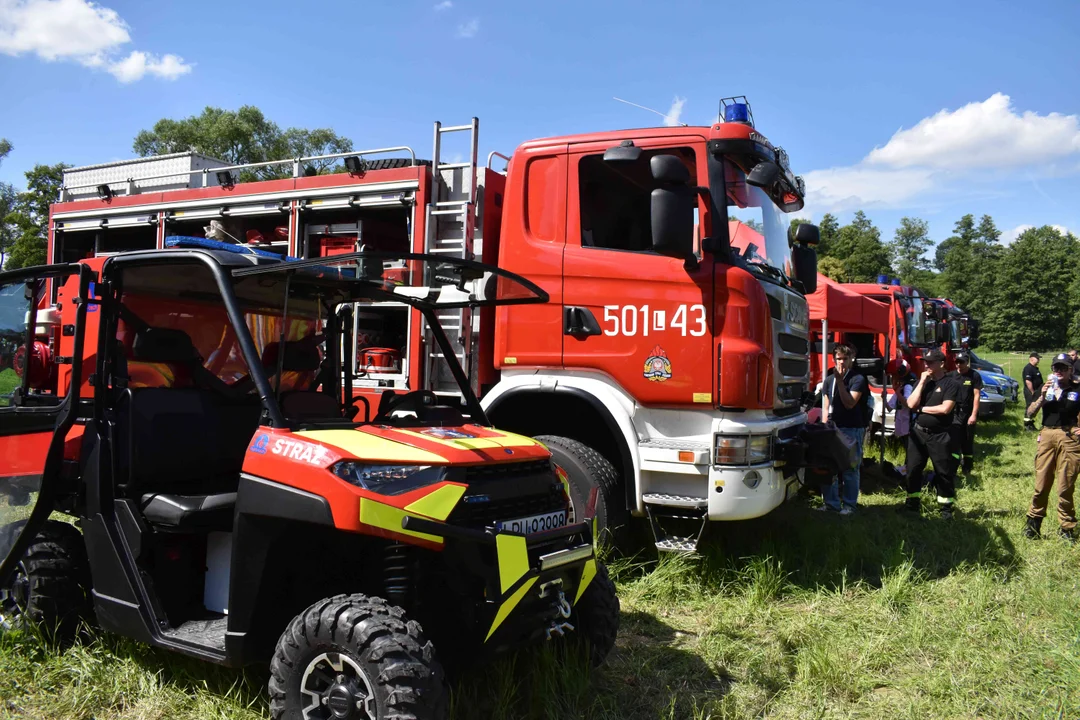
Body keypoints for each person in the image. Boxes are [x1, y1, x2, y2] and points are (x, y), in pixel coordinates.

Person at [1023, 354, 1080, 542]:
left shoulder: (1077, 387)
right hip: (1047, 434)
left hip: (1069, 436)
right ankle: (1034, 523)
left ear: (1071, 369)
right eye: (1056, 368)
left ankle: (1066, 528)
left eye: (1063, 368)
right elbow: (1030, 412)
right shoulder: (1046, 387)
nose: (1059, 371)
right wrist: (1041, 395)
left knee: (1065, 485)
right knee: (1041, 483)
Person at [902, 348, 961, 519]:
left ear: (941, 364)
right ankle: (912, 504)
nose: (926, 364)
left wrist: (922, 409)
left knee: (943, 472)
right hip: (918, 433)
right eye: (925, 361)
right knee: (913, 470)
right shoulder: (922, 382)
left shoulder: (951, 384)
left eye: (930, 362)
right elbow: (911, 404)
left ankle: (946, 509)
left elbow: (945, 408)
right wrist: (921, 383)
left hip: (940, 435)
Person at [818, 343, 868, 514]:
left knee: (850, 468)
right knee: (828, 466)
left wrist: (840, 382)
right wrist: (824, 426)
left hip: (851, 428)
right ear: (833, 359)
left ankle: (849, 505)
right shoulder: (828, 380)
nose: (841, 363)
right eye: (838, 359)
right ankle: (831, 503)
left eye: (845, 359)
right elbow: (825, 405)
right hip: (832, 428)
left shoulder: (857, 379)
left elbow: (849, 403)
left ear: (850, 360)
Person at [950, 352, 982, 474]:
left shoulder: (974, 375)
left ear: (967, 362)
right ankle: (953, 466)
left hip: (968, 412)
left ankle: (967, 467)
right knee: (954, 441)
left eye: (961, 362)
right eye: (957, 362)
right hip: (954, 413)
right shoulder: (951, 375)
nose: (959, 365)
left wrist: (974, 415)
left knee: (967, 440)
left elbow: (976, 396)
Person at [1022, 353, 1043, 432]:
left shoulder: (1035, 368)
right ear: (1031, 359)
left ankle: (1031, 423)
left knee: (1034, 408)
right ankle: (1027, 425)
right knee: (1029, 407)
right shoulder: (1028, 368)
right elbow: (1028, 381)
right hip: (1030, 391)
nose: (1038, 360)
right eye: (1037, 358)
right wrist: (1032, 391)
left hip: (1036, 391)